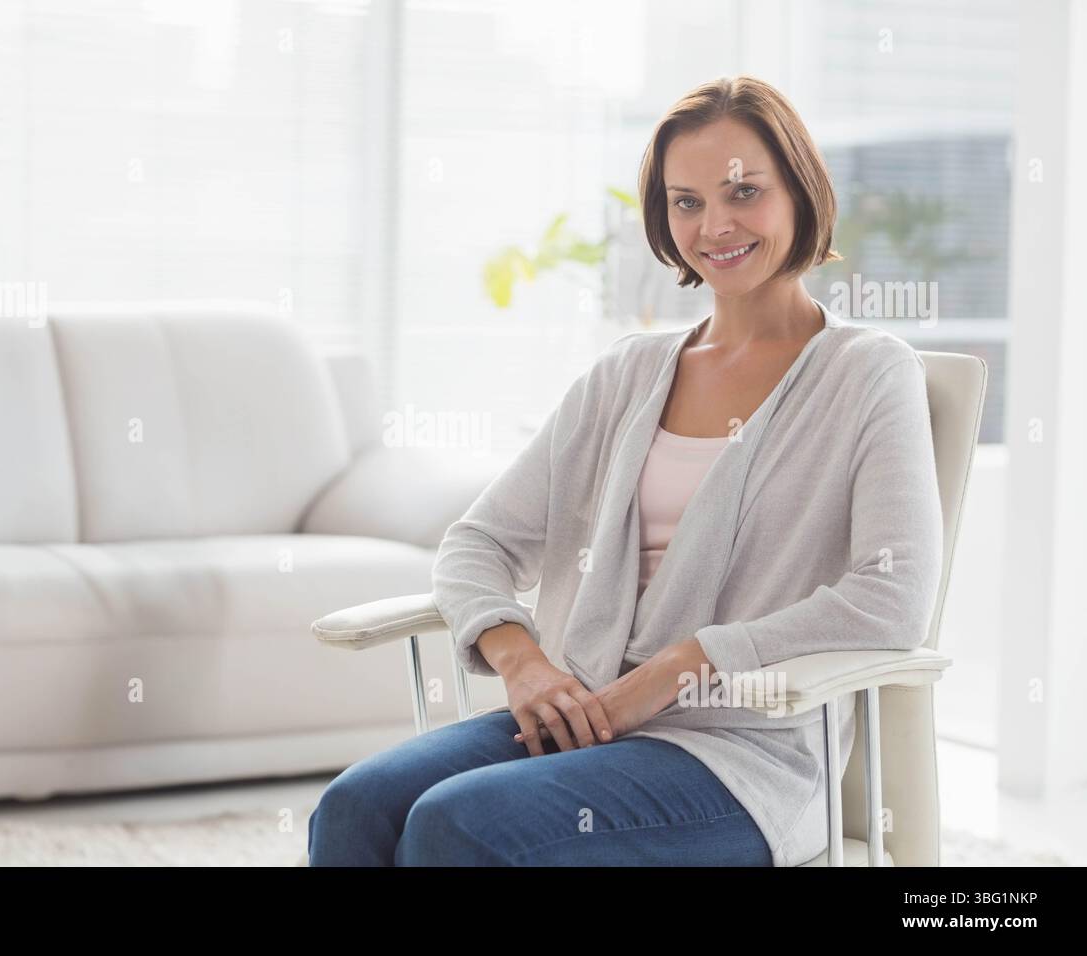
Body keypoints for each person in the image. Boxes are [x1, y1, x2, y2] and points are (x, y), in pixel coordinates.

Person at [308, 74, 943, 867]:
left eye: (744, 191)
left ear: (801, 191)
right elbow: (478, 543)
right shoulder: (628, 374)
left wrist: (684, 666)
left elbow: (893, 598)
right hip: (584, 716)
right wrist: (525, 663)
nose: (715, 225)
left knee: (457, 825)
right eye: (686, 201)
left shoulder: (867, 372)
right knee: (354, 808)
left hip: (739, 756)